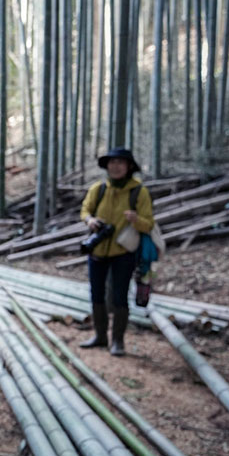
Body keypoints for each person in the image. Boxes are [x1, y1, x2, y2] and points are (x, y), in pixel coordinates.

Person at [79, 147, 154, 356]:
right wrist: (90, 220)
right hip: (97, 250)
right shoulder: (98, 189)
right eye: (112, 162)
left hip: (124, 253)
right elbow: (85, 210)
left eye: (120, 162)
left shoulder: (138, 192)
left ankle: (118, 341)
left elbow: (148, 224)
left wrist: (135, 219)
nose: (116, 166)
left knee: (120, 296)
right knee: (96, 294)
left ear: (129, 166)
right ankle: (100, 336)